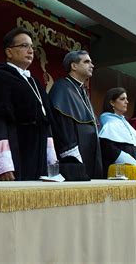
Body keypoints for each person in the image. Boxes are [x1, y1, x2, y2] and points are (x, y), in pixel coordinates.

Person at [0, 27, 57, 181]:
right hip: (15, 151)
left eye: (32, 46)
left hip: (38, 154)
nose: (30, 50)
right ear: (9, 52)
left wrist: (51, 162)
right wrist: (2, 165)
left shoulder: (35, 83)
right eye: (24, 46)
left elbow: (46, 122)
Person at [48, 50, 103, 180]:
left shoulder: (81, 90)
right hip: (75, 157)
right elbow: (63, 126)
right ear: (74, 66)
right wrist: (73, 158)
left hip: (90, 153)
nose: (92, 65)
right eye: (86, 61)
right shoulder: (62, 88)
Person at [99, 88, 136, 176]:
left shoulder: (124, 121)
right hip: (117, 172)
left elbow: (135, 146)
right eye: (122, 99)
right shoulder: (107, 121)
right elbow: (109, 149)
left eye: (126, 99)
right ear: (112, 102)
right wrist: (133, 163)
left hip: (133, 170)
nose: (127, 102)